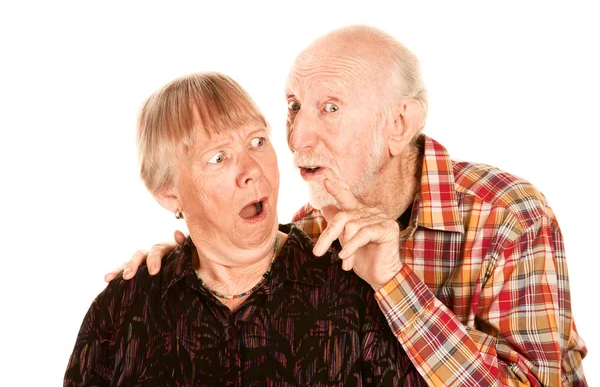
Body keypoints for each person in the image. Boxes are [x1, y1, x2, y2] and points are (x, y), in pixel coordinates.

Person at [109, 26, 588, 386]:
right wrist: (184, 268)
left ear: (400, 124)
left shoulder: (507, 215)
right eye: (293, 106)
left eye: (330, 108)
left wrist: (394, 284)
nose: (296, 137)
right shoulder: (310, 232)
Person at [64, 72, 425, 386]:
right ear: (169, 194)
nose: (252, 168)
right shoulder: (122, 310)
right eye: (218, 158)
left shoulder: (352, 291)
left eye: (257, 141)